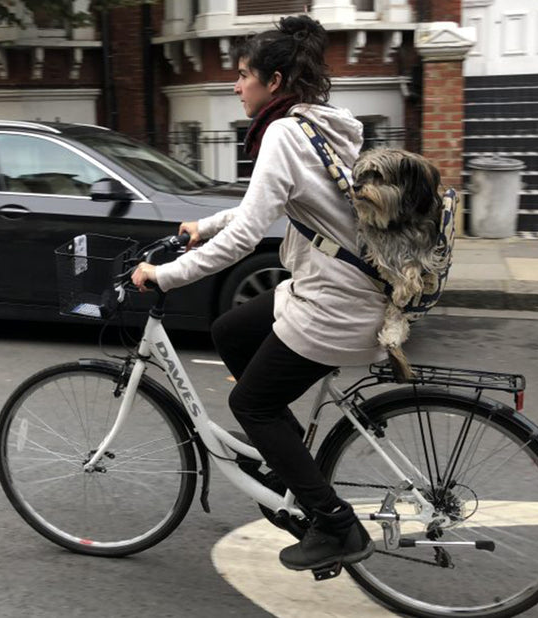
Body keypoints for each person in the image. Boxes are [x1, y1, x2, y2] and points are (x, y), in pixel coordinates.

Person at [131, 15, 379, 572]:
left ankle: (336, 527)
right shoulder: (315, 122)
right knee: (230, 332)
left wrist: (164, 275)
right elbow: (256, 210)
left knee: (250, 403)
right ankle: (287, 461)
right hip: (336, 286)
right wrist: (203, 226)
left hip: (336, 301)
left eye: (243, 75)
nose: (235, 86)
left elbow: (248, 235)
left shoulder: (284, 133)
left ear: (273, 79)